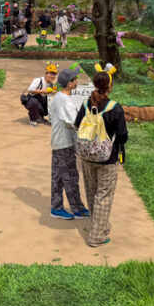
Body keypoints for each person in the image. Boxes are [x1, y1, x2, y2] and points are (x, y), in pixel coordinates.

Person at [74, 70, 129, 247]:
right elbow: (122, 135)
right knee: (104, 195)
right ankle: (96, 236)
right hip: (107, 158)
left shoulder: (85, 104)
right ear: (110, 86)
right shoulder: (114, 107)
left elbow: (77, 125)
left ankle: (99, 225)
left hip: (87, 156)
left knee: (92, 191)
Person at [49, 66, 89, 220]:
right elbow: (73, 121)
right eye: (75, 79)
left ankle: (56, 207)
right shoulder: (64, 100)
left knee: (58, 176)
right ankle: (77, 209)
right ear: (70, 83)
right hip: (64, 144)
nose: (77, 81)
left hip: (58, 142)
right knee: (70, 176)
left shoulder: (59, 97)